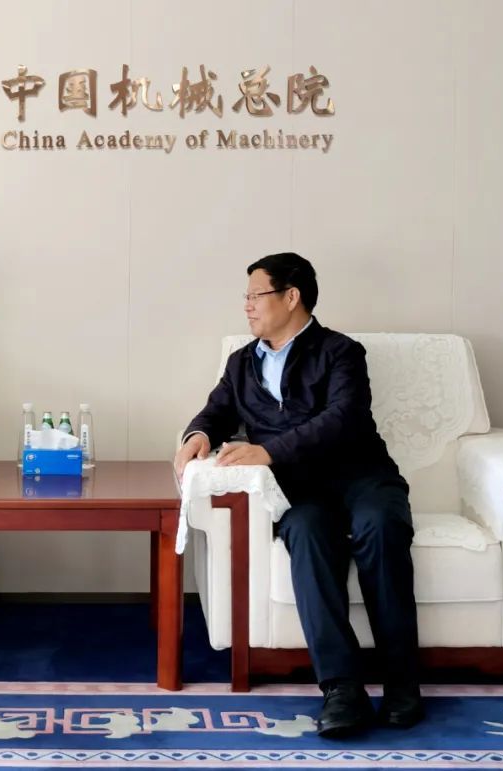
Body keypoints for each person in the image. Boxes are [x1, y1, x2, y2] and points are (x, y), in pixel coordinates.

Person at [173, 252, 423, 738]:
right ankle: (342, 690)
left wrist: (268, 451)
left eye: (256, 295)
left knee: (380, 526)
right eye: (245, 296)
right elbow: (216, 412)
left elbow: (343, 418)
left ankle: (402, 682)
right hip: (300, 490)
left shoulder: (341, 352)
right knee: (307, 535)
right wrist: (196, 436)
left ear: (291, 297)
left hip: (362, 476)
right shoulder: (241, 362)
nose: (247, 305)